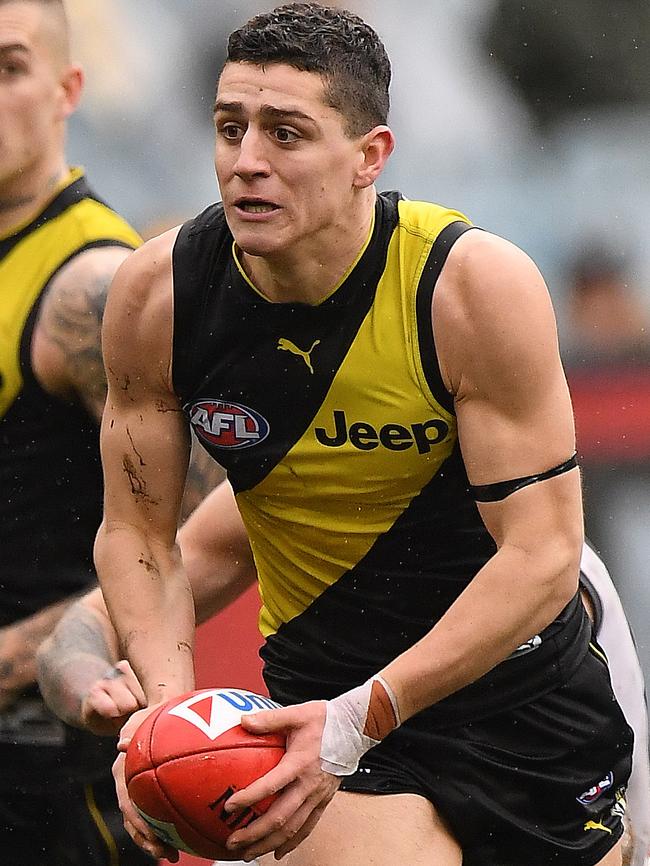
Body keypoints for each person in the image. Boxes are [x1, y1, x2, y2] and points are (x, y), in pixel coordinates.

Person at [94, 4, 634, 865]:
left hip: (526, 698)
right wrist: (170, 721)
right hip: (321, 718)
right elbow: (138, 535)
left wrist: (364, 714)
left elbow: (540, 557)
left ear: (369, 158)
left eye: (286, 133)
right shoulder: (156, 298)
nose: (248, 162)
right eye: (230, 128)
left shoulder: (469, 287)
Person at [37, 479, 650, 866]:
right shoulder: (282, 487)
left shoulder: (544, 565)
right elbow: (81, 629)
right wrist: (99, 689)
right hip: (350, 776)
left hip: (542, 778)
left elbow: (631, 762)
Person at [0, 0, 221, 862]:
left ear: (68, 89)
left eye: (10, 68)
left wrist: (33, 655)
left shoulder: (90, 286)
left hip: (45, 768)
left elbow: (196, 542)